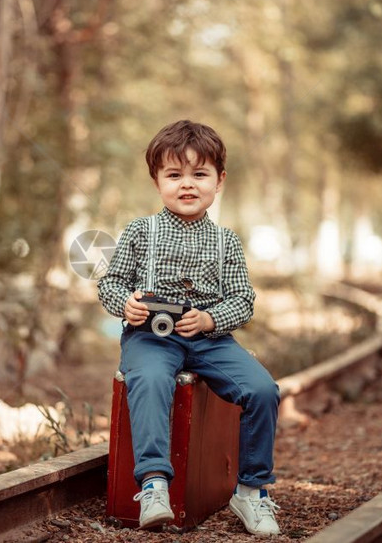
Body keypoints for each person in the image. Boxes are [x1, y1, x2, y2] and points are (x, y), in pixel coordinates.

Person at [98, 120, 281, 536]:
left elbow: (242, 298)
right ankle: (154, 484)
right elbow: (111, 282)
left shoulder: (226, 241)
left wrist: (212, 319)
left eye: (199, 174)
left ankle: (251, 492)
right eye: (174, 175)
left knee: (262, 389)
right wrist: (125, 305)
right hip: (150, 336)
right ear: (156, 180)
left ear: (219, 182)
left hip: (210, 338)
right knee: (147, 380)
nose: (187, 185)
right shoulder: (140, 231)